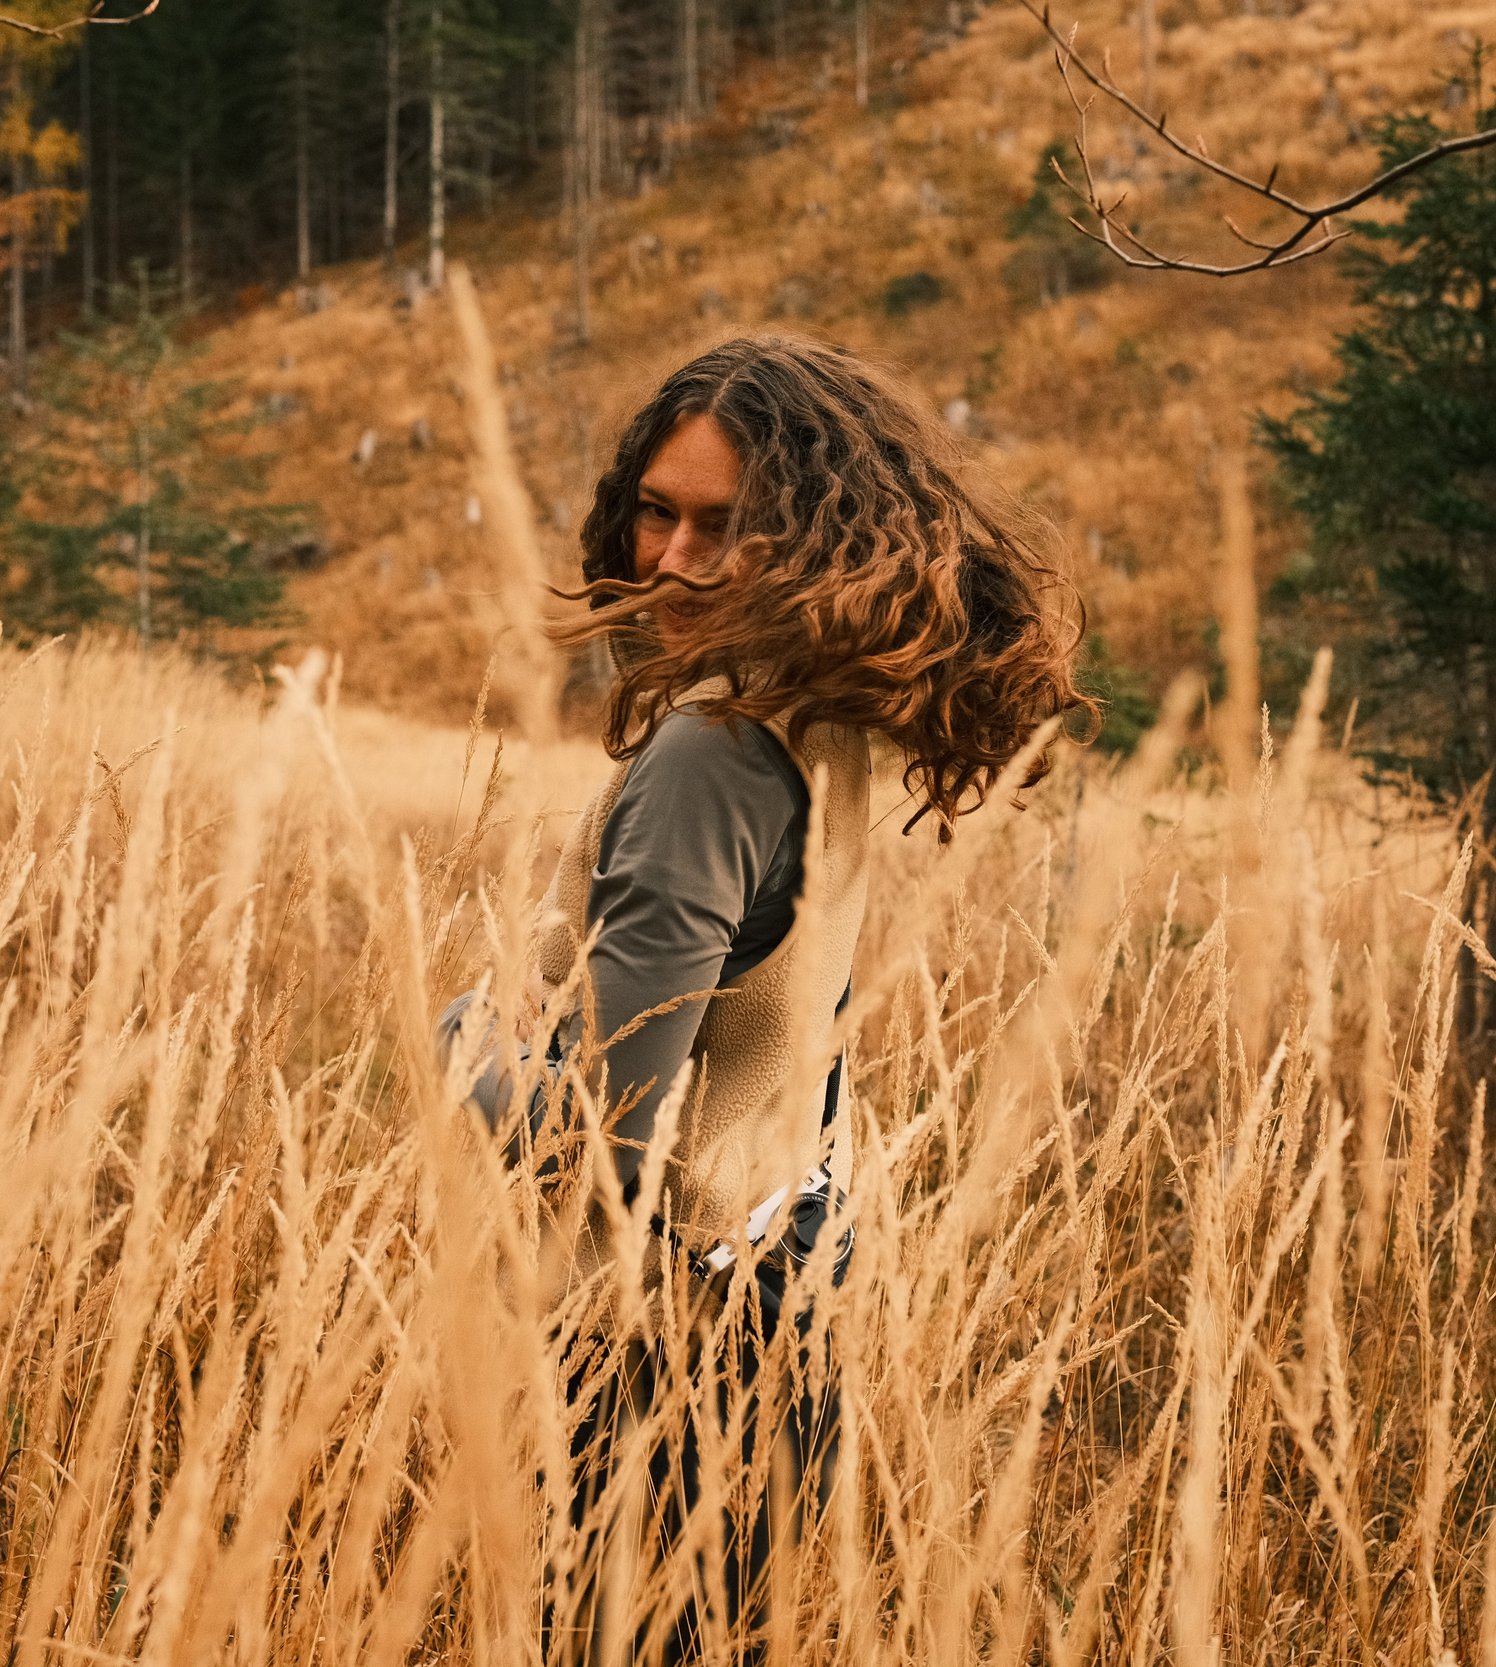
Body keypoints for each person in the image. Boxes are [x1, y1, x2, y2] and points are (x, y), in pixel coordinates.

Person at [439, 334, 1091, 1662]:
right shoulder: (819, 715)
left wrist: (467, 1055)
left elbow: (608, 1146)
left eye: (724, 528)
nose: (674, 561)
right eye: (657, 513)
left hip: (658, 1350)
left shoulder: (708, 754)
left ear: (813, 542)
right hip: (781, 1297)